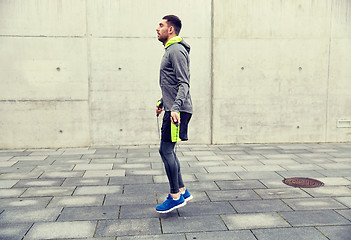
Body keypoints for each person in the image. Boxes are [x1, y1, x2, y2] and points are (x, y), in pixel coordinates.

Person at [155, 15, 193, 213]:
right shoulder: (171, 50)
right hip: (172, 108)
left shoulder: (176, 50)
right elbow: (171, 83)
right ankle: (183, 190)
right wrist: (163, 102)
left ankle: (175, 196)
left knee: (166, 151)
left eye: (161, 25)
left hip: (177, 111)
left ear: (171, 29)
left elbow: (183, 83)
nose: (157, 28)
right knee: (168, 150)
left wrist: (175, 108)